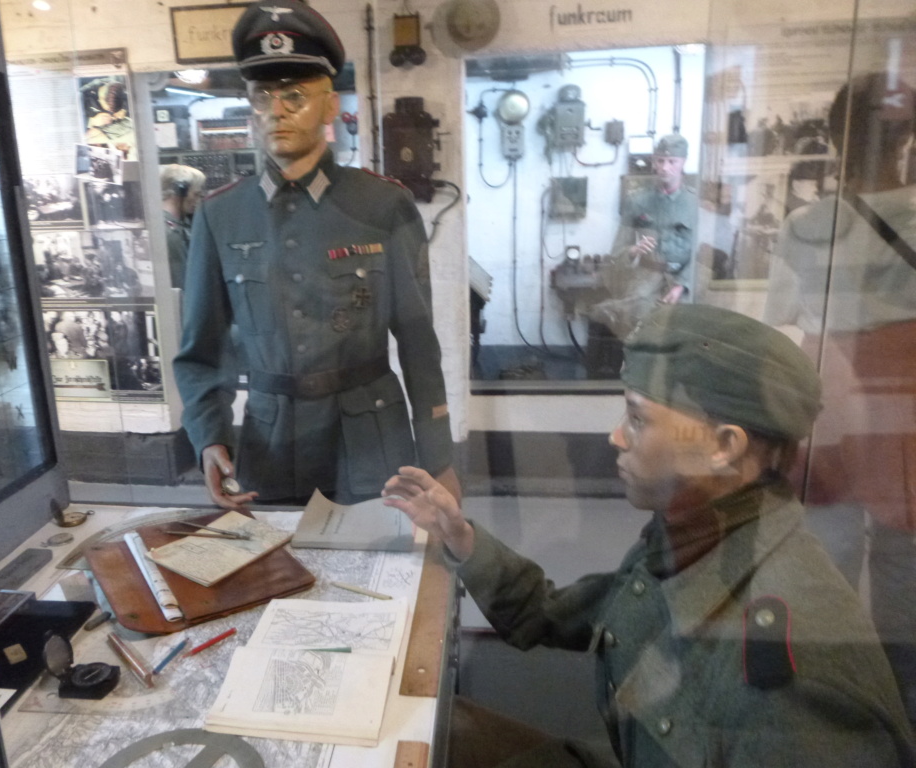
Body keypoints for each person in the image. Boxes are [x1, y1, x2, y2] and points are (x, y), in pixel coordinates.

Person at [383, 303, 915, 768]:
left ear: (724, 446)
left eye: (638, 418)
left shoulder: (791, 678)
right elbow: (565, 613)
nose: (616, 435)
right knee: (414, 726)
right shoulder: (699, 536)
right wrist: (459, 536)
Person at [173, 0, 458, 509]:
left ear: (329, 106)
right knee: (277, 576)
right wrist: (209, 438)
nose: (277, 111)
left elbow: (417, 340)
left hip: (372, 438)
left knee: (385, 576)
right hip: (270, 442)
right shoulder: (221, 216)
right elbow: (202, 350)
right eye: (262, 96)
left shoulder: (382, 205)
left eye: (296, 95)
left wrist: (438, 457)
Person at [764, 72, 916, 728]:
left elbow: (780, 318)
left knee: (826, 559)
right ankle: (903, 714)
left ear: (831, 137)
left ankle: (831, 714)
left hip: (832, 394)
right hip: (908, 398)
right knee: (904, 563)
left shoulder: (805, 224)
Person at [593, 134, 699, 338]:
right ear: (654, 162)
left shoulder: (695, 203)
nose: (665, 167)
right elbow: (617, 251)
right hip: (645, 280)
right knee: (638, 331)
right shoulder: (637, 201)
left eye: (672, 161)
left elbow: (701, 255)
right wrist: (633, 251)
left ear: (683, 162)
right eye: (660, 161)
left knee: (686, 332)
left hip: (684, 281)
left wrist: (681, 286)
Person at [159, 164, 206, 290]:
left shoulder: (178, 224)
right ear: (180, 191)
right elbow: (183, 284)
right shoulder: (170, 233)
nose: (198, 200)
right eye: (196, 194)